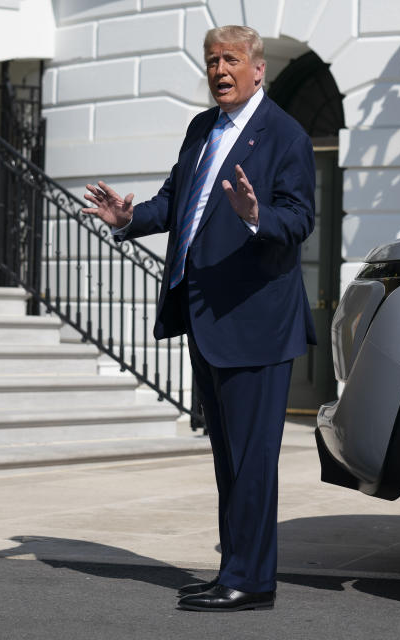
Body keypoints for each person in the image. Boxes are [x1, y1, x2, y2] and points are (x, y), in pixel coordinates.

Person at [83, 25, 316, 612]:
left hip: (256, 321)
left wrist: (256, 215)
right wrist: (126, 218)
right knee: (228, 458)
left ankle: (252, 580)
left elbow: (299, 218)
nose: (220, 70)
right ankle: (234, 570)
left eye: (231, 60)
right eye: (212, 61)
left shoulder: (283, 134)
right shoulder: (200, 129)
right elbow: (175, 200)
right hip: (209, 320)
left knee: (253, 459)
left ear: (258, 69)